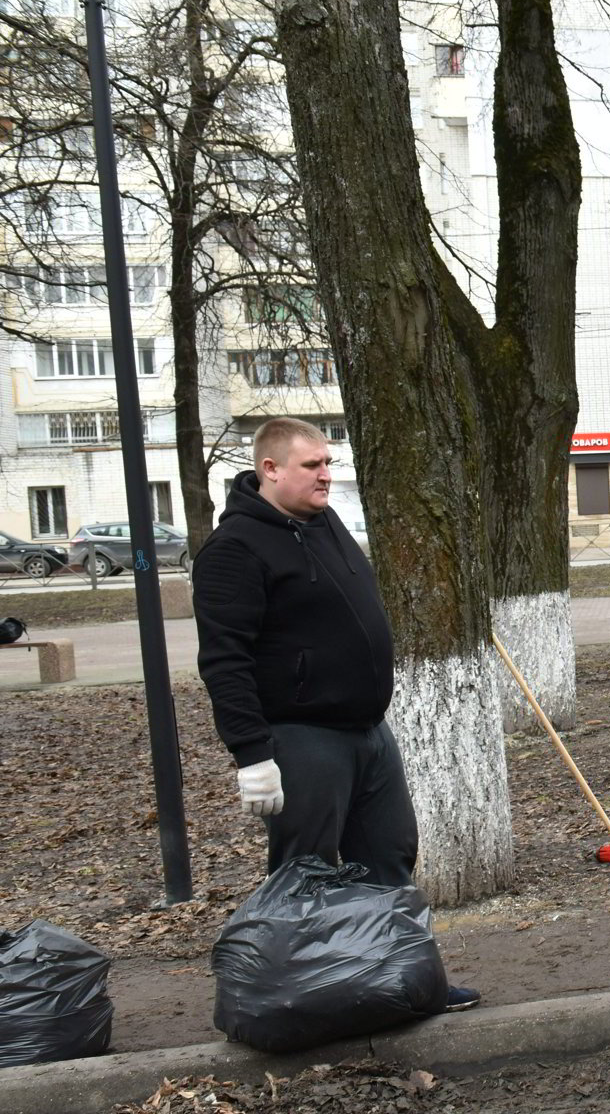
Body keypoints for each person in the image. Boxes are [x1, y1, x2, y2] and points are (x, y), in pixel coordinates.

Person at [193, 417, 479, 1012]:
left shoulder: (323, 523)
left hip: (367, 732)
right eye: (312, 465)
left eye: (328, 463)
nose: (326, 475)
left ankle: (405, 983)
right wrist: (252, 755)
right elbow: (224, 660)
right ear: (270, 469)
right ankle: (300, 1003)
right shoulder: (235, 549)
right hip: (301, 738)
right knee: (305, 874)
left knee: (389, 857)